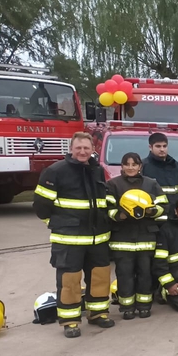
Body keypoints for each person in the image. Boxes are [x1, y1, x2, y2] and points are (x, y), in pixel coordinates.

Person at [34, 132, 115, 338]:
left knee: (99, 278)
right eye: (78, 148)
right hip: (69, 239)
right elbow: (41, 205)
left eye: (86, 148)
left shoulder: (96, 170)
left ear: (92, 150)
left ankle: (98, 313)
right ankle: (70, 320)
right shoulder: (55, 171)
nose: (82, 152)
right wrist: (55, 224)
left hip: (98, 238)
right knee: (70, 282)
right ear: (71, 148)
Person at [106, 152, 167, 319]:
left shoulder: (151, 184)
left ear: (140, 166)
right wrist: (120, 215)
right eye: (127, 164)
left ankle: (144, 305)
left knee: (145, 273)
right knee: (124, 274)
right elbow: (107, 209)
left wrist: (153, 211)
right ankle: (127, 308)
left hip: (146, 238)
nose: (131, 167)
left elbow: (163, 205)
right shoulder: (113, 185)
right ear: (122, 166)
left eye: (134, 164)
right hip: (122, 239)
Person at [142, 132, 178, 216]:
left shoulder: (177, 166)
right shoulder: (143, 166)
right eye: (158, 146)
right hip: (154, 217)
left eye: (164, 146)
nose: (162, 149)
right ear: (150, 147)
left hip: (175, 216)